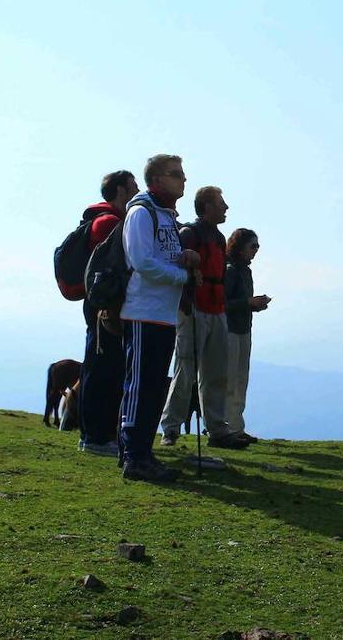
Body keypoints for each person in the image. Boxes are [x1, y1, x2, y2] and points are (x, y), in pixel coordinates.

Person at [118, 154, 200, 482]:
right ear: (156, 180)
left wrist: (183, 257)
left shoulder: (166, 217)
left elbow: (160, 257)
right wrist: (183, 278)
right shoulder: (142, 213)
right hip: (143, 312)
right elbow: (142, 261)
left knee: (154, 388)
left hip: (163, 314)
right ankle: (134, 456)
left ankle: (141, 452)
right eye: (176, 174)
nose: (183, 180)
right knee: (140, 386)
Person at [159, 186, 248, 449]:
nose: (226, 208)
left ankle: (217, 430)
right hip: (194, 308)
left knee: (216, 372)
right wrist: (186, 300)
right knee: (185, 370)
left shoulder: (218, 238)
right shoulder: (190, 233)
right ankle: (171, 428)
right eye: (221, 203)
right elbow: (178, 267)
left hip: (215, 309)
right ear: (207, 206)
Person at [77, 170, 139, 457]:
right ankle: (96, 437)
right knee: (103, 369)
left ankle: (95, 434)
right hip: (105, 306)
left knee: (101, 367)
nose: (137, 190)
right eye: (133, 186)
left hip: (101, 303)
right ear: (121, 191)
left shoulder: (102, 220)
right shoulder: (110, 223)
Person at [223, 228, 272, 441]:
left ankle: (236, 427)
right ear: (240, 247)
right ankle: (226, 427)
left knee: (241, 379)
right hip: (230, 331)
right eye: (253, 246)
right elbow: (222, 304)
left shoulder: (245, 271)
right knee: (230, 380)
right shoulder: (231, 271)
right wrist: (248, 303)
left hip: (243, 329)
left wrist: (253, 305)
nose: (256, 250)